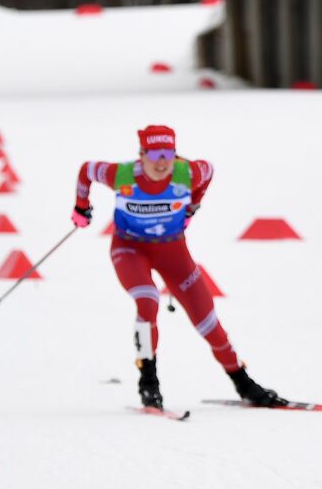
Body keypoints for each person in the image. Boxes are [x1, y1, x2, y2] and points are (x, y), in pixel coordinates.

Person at [72, 125, 287, 410]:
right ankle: (148, 383)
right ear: (142, 155)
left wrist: (192, 206)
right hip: (130, 249)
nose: (162, 162)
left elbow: (209, 171)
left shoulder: (188, 173)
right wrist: (80, 206)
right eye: (154, 154)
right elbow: (87, 170)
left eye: (168, 154)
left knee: (208, 322)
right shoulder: (121, 174)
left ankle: (244, 383)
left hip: (172, 251)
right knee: (147, 300)